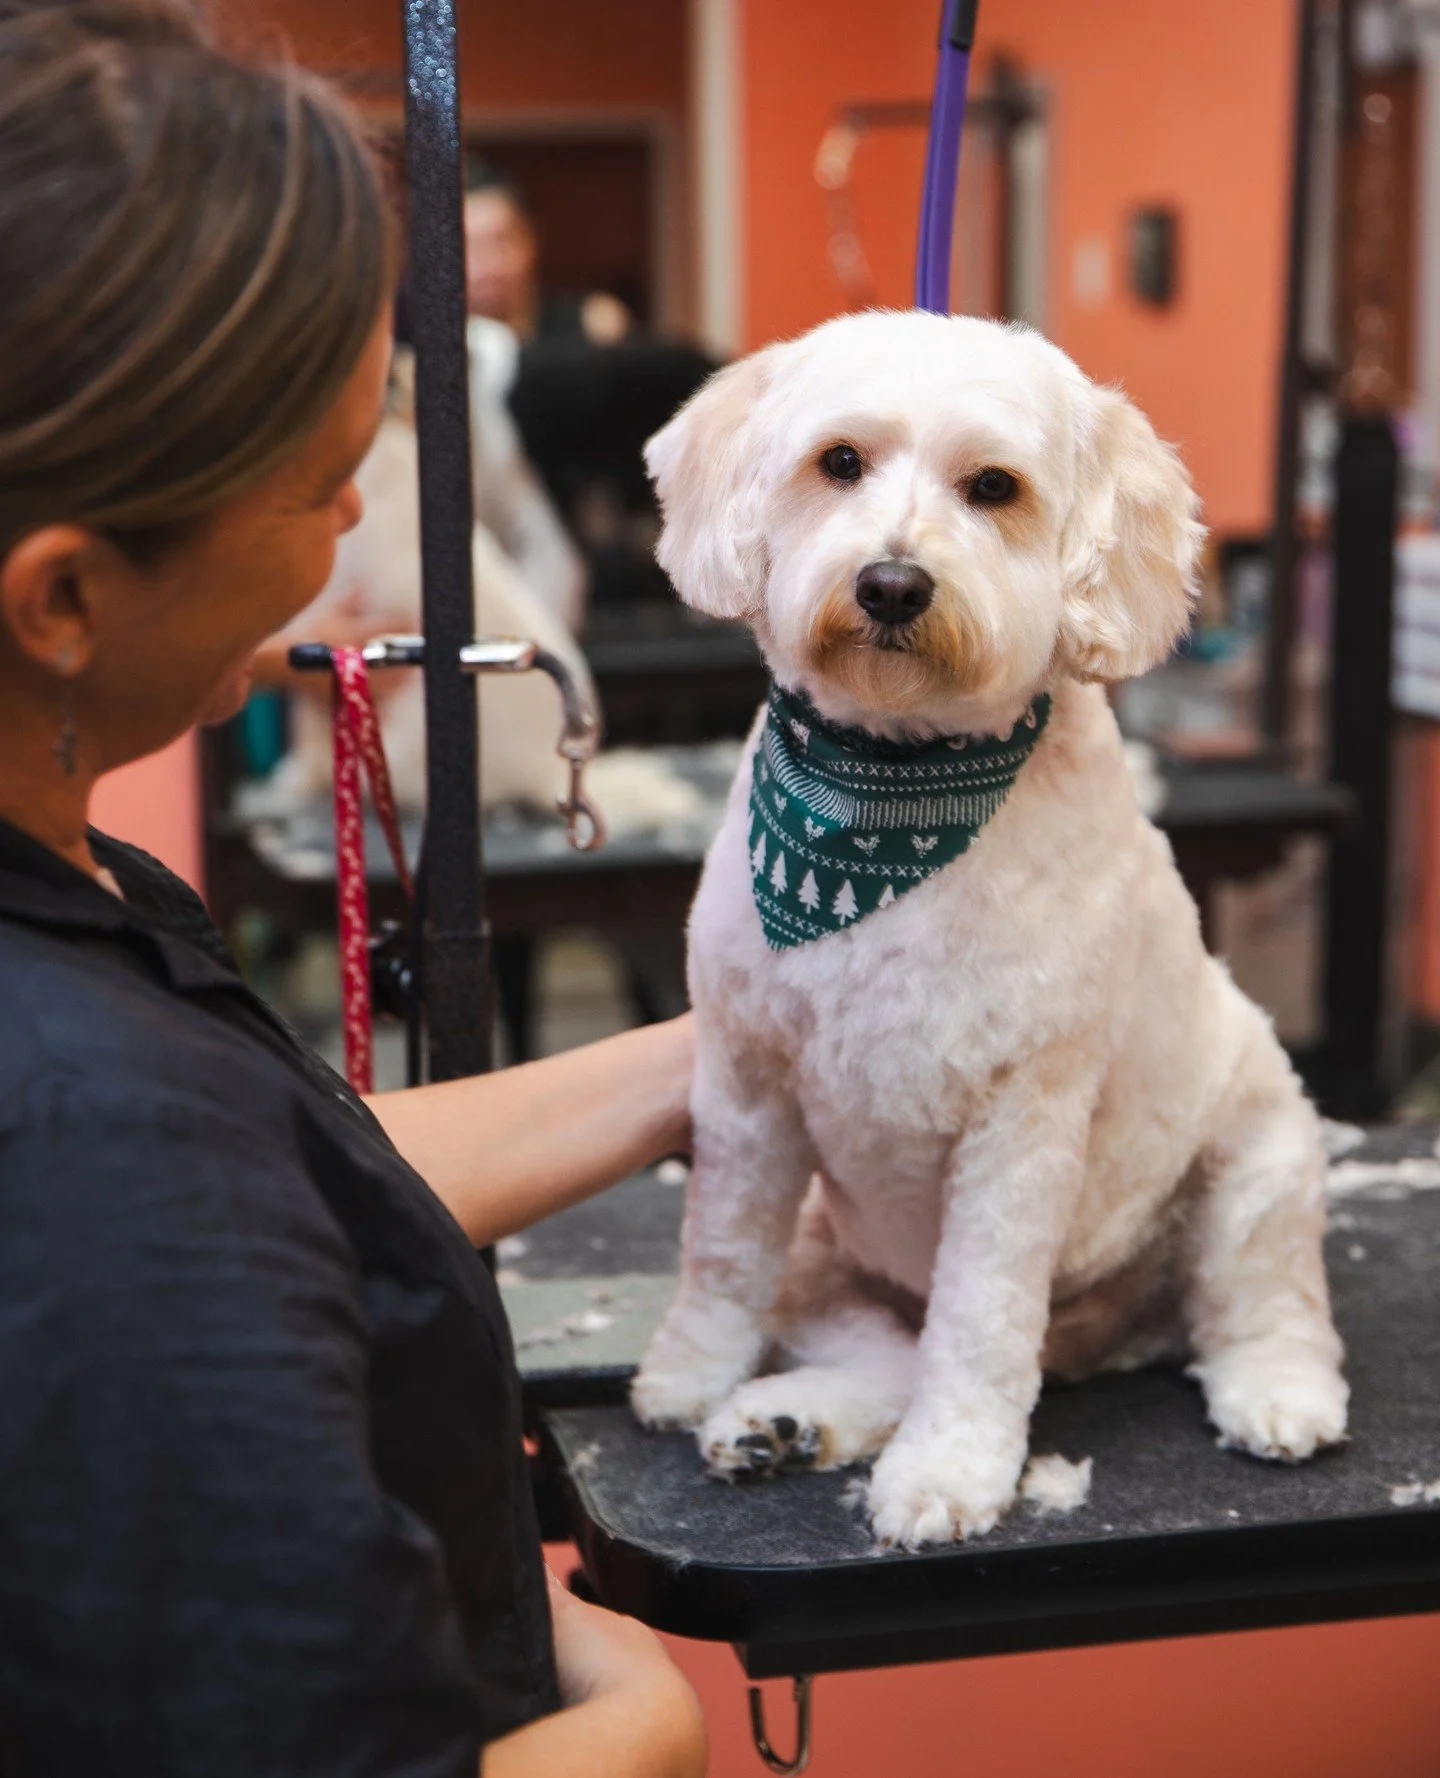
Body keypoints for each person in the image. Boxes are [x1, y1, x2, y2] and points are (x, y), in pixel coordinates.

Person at [0, 5, 705, 1775]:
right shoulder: (92, 1139)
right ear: (65, 598)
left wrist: (713, 1059)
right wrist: (643, 1719)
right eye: (323, 491)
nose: (344, 541)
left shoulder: (69, 896)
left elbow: (302, 1177)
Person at [462, 163, 634, 347]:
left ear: (531, 241)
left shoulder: (592, 327)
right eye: (471, 246)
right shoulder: (432, 347)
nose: (490, 265)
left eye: (502, 242)